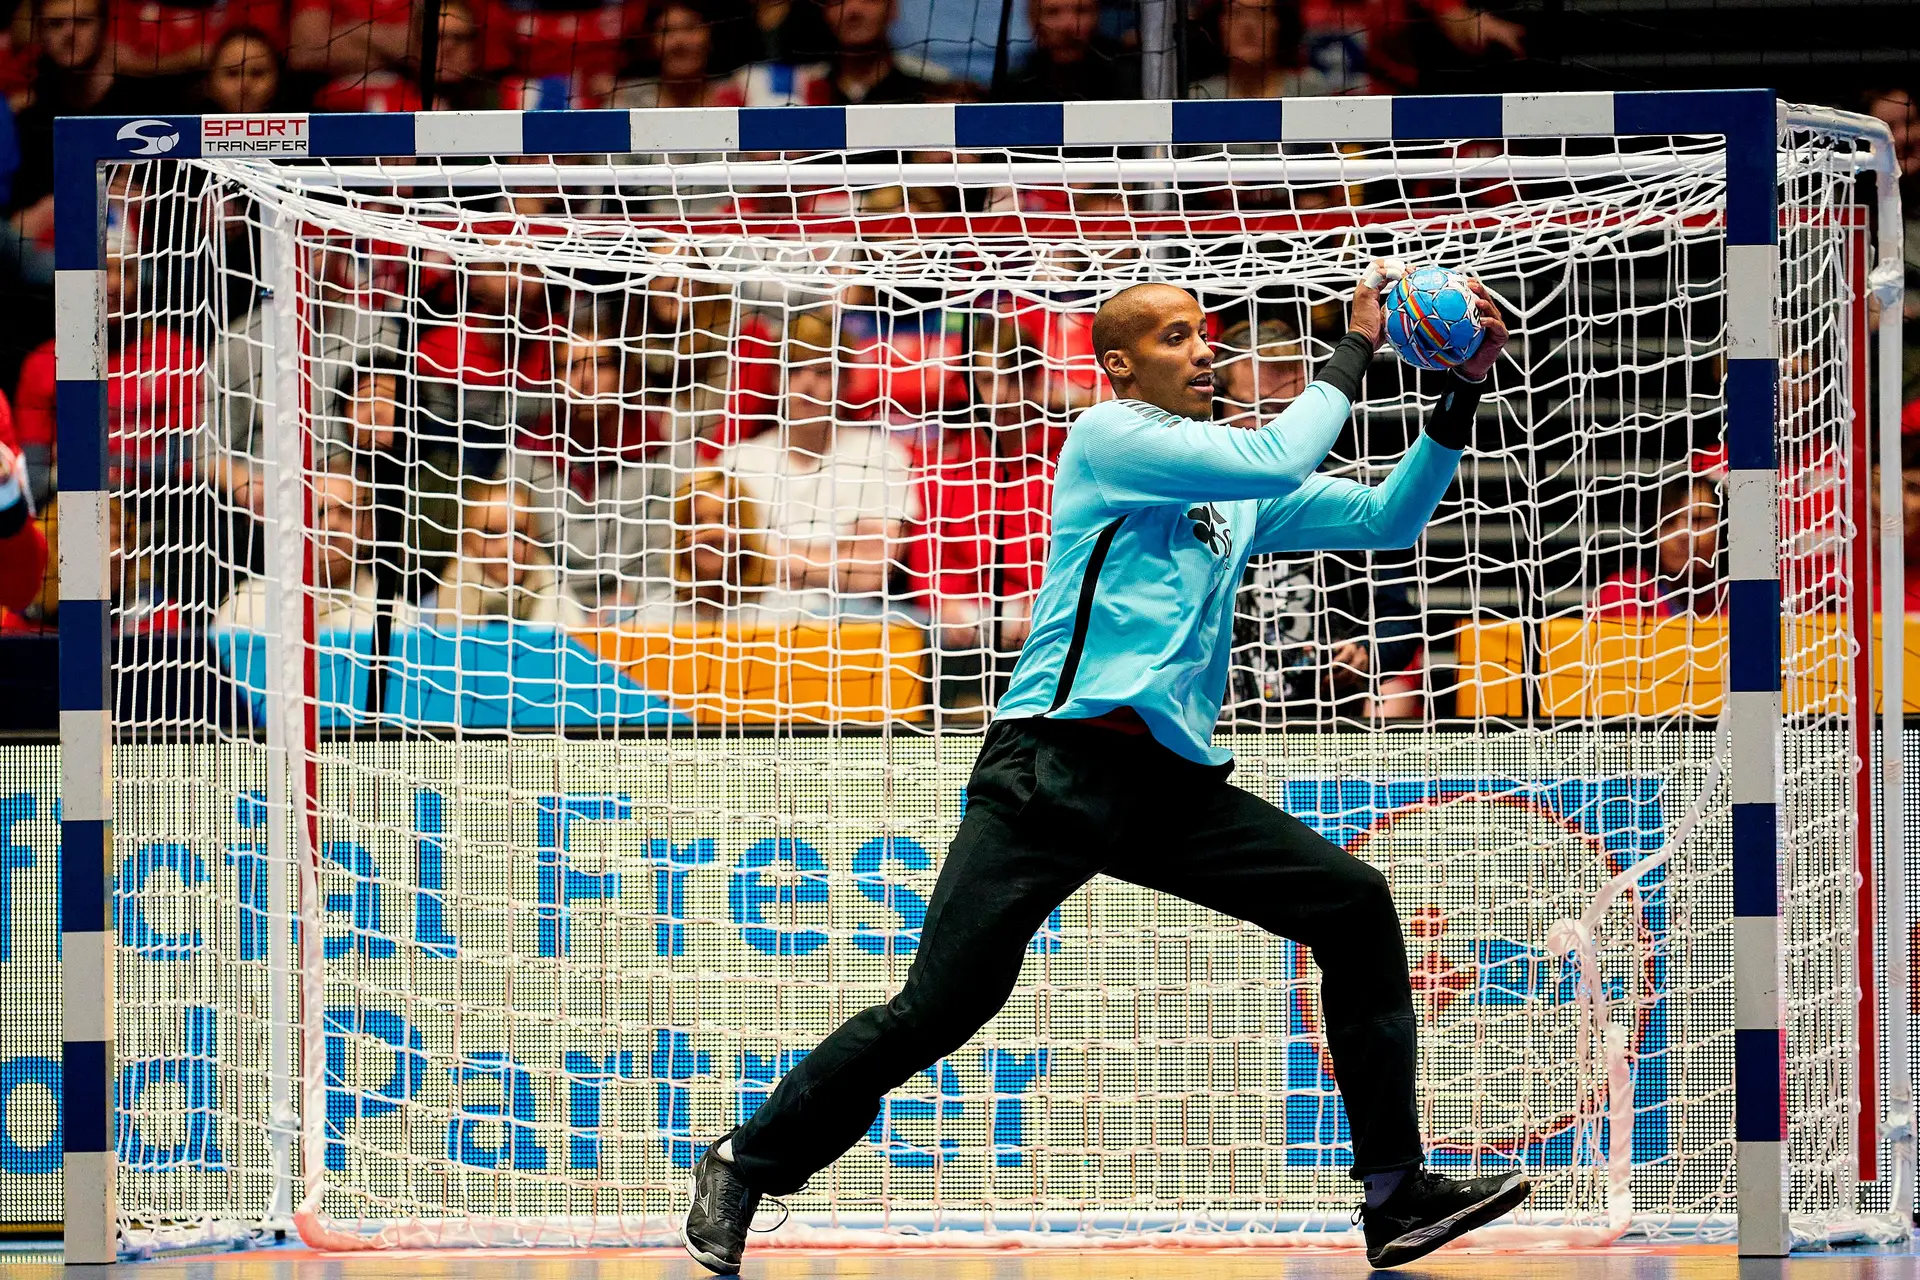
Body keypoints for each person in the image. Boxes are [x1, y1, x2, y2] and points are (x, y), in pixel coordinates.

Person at [682, 269, 1529, 1274]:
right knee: (942, 1006)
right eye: (1176, 338)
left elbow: (1388, 518)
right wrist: (1356, 344)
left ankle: (1394, 1190)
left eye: (1204, 335)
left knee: (1353, 904)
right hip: (1053, 766)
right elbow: (1278, 447)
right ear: (1120, 364)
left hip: (1166, 784)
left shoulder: (1235, 489)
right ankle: (748, 1157)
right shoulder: (1111, 438)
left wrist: (1462, 388)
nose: (1204, 349)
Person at [1215, 319, 1423, 722]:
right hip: (1210, 728)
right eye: (1252, 408)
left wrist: (1367, 650)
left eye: (1282, 411)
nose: (1267, 426)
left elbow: (1399, 616)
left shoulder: (1345, 494)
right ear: (1217, 402)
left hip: (1321, 729)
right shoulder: (1187, 493)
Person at [716, 322, 917, 618]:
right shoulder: (737, 462)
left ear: (846, 381)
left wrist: (770, 553)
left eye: (823, 371)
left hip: (855, 618)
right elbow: (725, 565)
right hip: (753, 618)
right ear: (775, 380)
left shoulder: (881, 455)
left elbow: (873, 574)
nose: (807, 385)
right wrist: (841, 555)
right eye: (794, 370)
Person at [216, 464, 382, 631]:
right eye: (319, 512)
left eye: (348, 512)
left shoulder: (395, 616)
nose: (331, 524)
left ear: (369, 528)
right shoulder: (244, 606)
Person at [419, 478, 586, 630]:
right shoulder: (432, 612)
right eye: (491, 534)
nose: (507, 548)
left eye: (519, 533)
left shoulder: (566, 605)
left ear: (536, 536)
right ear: (466, 541)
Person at [721, 0, 940, 107]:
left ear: (893, 9)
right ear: (824, 14)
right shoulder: (798, 90)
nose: (852, 10)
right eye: (837, 1)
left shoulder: (932, 87)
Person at [1591, 473, 1725, 620]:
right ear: (1652, 532)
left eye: (1698, 520)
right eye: (1668, 522)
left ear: (1724, 528)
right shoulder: (1619, 597)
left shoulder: (1744, 599)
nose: (1683, 534)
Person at [991, 0, 1139, 103]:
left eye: (1081, 11)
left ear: (1098, 15)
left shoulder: (1133, 80)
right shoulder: (1013, 88)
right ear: (1033, 20)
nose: (1068, 25)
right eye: (1053, 12)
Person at [1188, 0, 1329, 100]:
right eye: (1236, 13)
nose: (1248, 27)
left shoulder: (1311, 96)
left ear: (1281, 23)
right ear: (1218, 24)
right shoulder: (1196, 98)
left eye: (1261, 12)